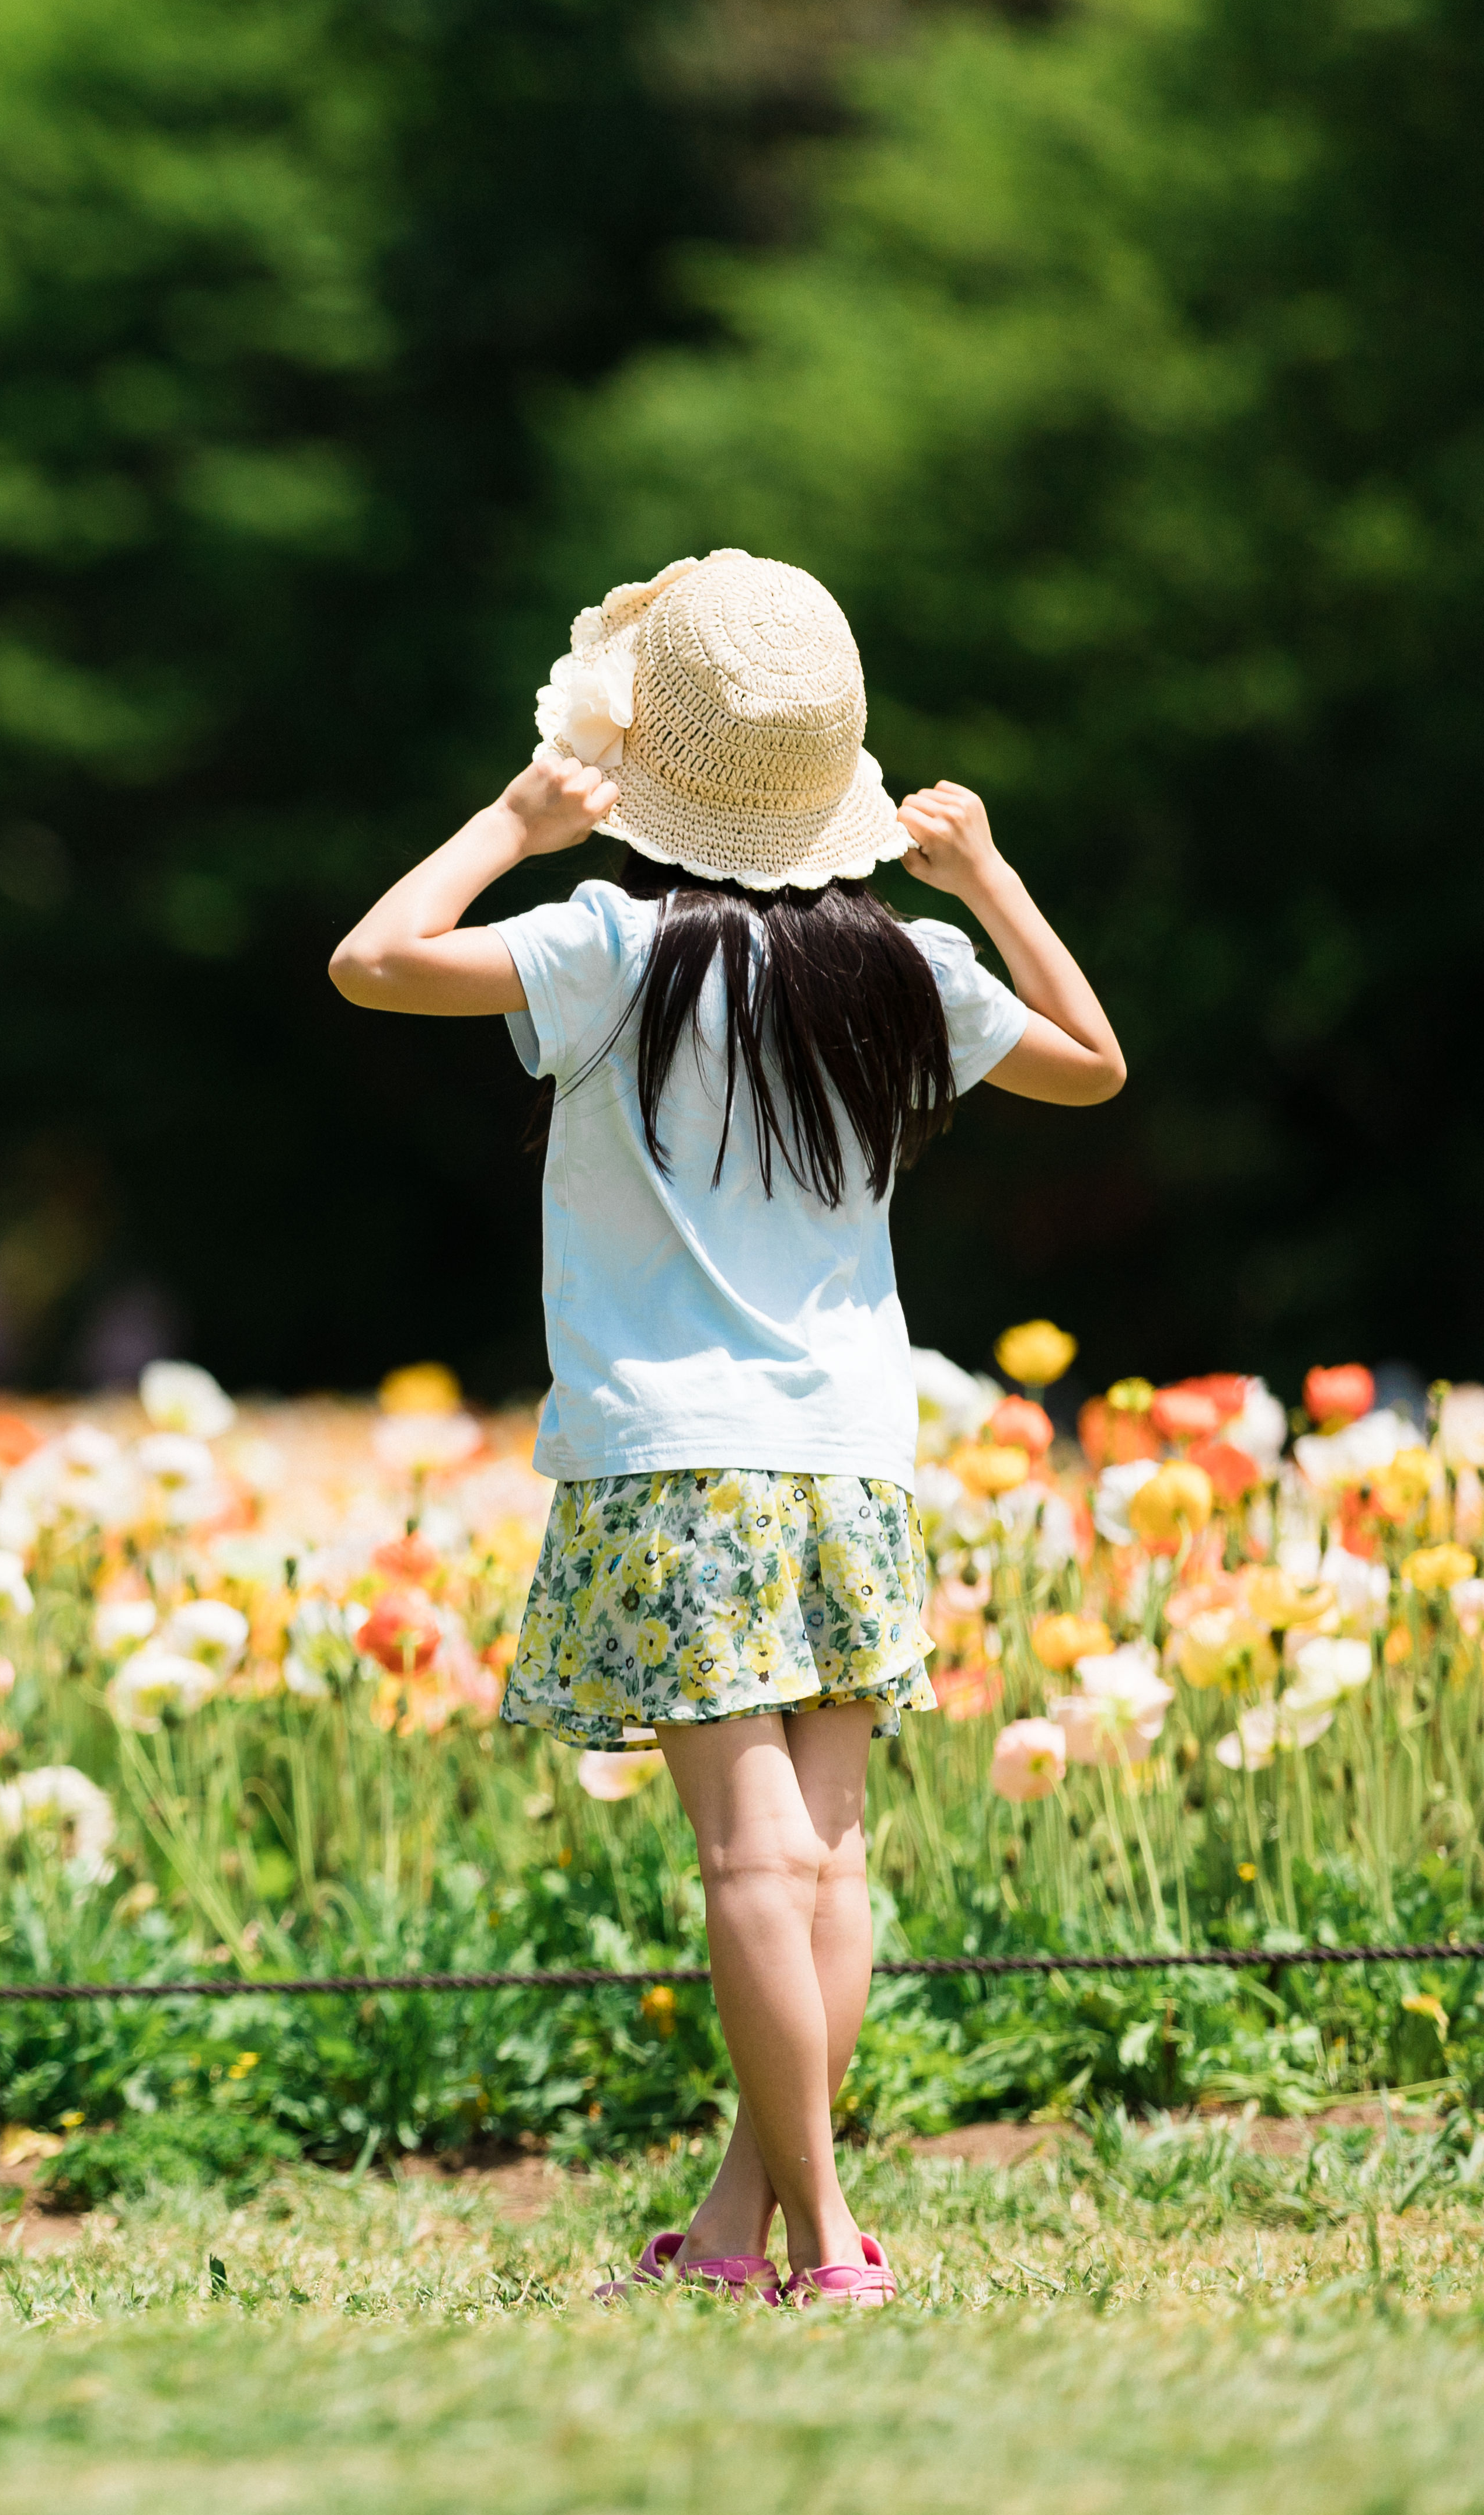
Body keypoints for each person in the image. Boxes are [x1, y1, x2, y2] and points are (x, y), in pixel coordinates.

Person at [326, 551, 1125, 2305]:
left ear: (654, 770)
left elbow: (373, 961)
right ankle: (736, 2234)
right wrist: (985, 874)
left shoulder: (610, 948)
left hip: (672, 1453)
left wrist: (513, 822)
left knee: (755, 1861)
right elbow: (1092, 1059)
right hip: (849, 1449)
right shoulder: (901, 971)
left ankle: (828, 2244)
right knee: (823, 1858)